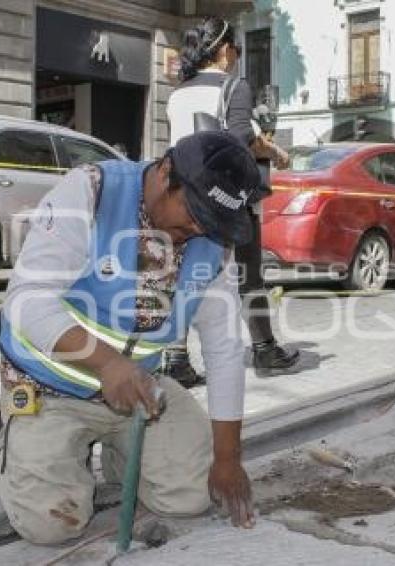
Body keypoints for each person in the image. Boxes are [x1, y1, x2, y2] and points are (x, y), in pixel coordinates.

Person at [0, 131, 259, 544]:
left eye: (213, 221)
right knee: (51, 525)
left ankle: (122, 452)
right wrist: (108, 364)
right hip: (48, 387)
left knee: (191, 496)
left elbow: (224, 350)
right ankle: (4, 430)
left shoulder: (212, 241)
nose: (199, 228)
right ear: (168, 172)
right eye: (194, 210)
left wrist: (228, 458)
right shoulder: (91, 192)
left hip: (137, 392)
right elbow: (25, 303)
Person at [164, 16, 300, 385]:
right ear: (224, 50)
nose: (237, 57)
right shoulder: (234, 86)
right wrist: (272, 153)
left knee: (187, 276)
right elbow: (240, 136)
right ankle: (265, 349)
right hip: (227, 198)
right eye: (236, 50)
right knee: (249, 275)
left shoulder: (178, 93)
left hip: (183, 196)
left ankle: (175, 359)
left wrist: (266, 146)